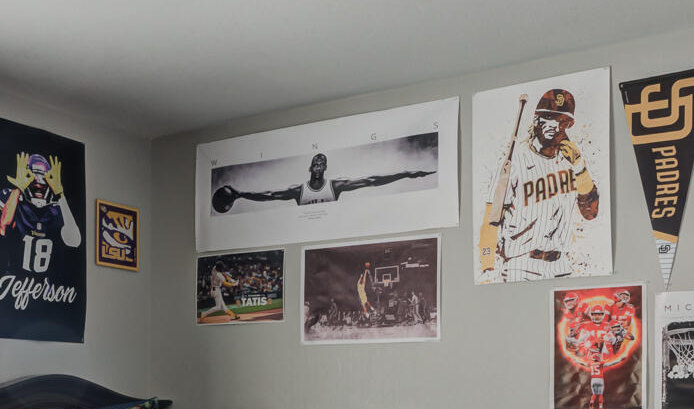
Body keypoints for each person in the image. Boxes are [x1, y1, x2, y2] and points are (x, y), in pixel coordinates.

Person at [478, 88, 600, 276]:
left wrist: (580, 168)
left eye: (563, 122)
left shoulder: (572, 161)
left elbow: (590, 214)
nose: (556, 126)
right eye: (550, 119)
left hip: (560, 265)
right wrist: (487, 266)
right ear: (536, 121)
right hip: (521, 264)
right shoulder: (515, 162)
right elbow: (491, 220)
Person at [212, 151, 432, 211]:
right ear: (310, 168)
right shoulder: (299, 191)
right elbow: (269, 195)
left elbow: (371, 180)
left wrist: (406, 173)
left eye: (322, 163)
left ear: (325, 168)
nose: (318, 165)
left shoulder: (335, 186)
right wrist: (240, 194)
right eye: (315, 163)